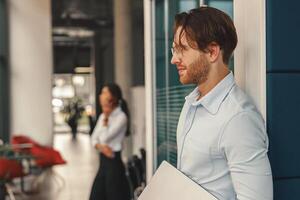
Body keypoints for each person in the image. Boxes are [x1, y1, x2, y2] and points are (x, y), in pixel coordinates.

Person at [171, 7, 273, 200]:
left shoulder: (238, 118)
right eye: (174, 49)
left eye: (182, 49)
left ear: (212, 52)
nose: (174, 59)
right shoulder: (191, 103)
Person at [89, 83, 130, 200]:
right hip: (103, 163)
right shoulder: (102, 116)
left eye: (104, 93)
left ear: (113, 97)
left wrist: (107, 119)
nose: (100, 96)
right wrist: (101, 148)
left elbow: (103, 138)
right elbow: (93, 138)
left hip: (114, 164)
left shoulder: (121, 117)